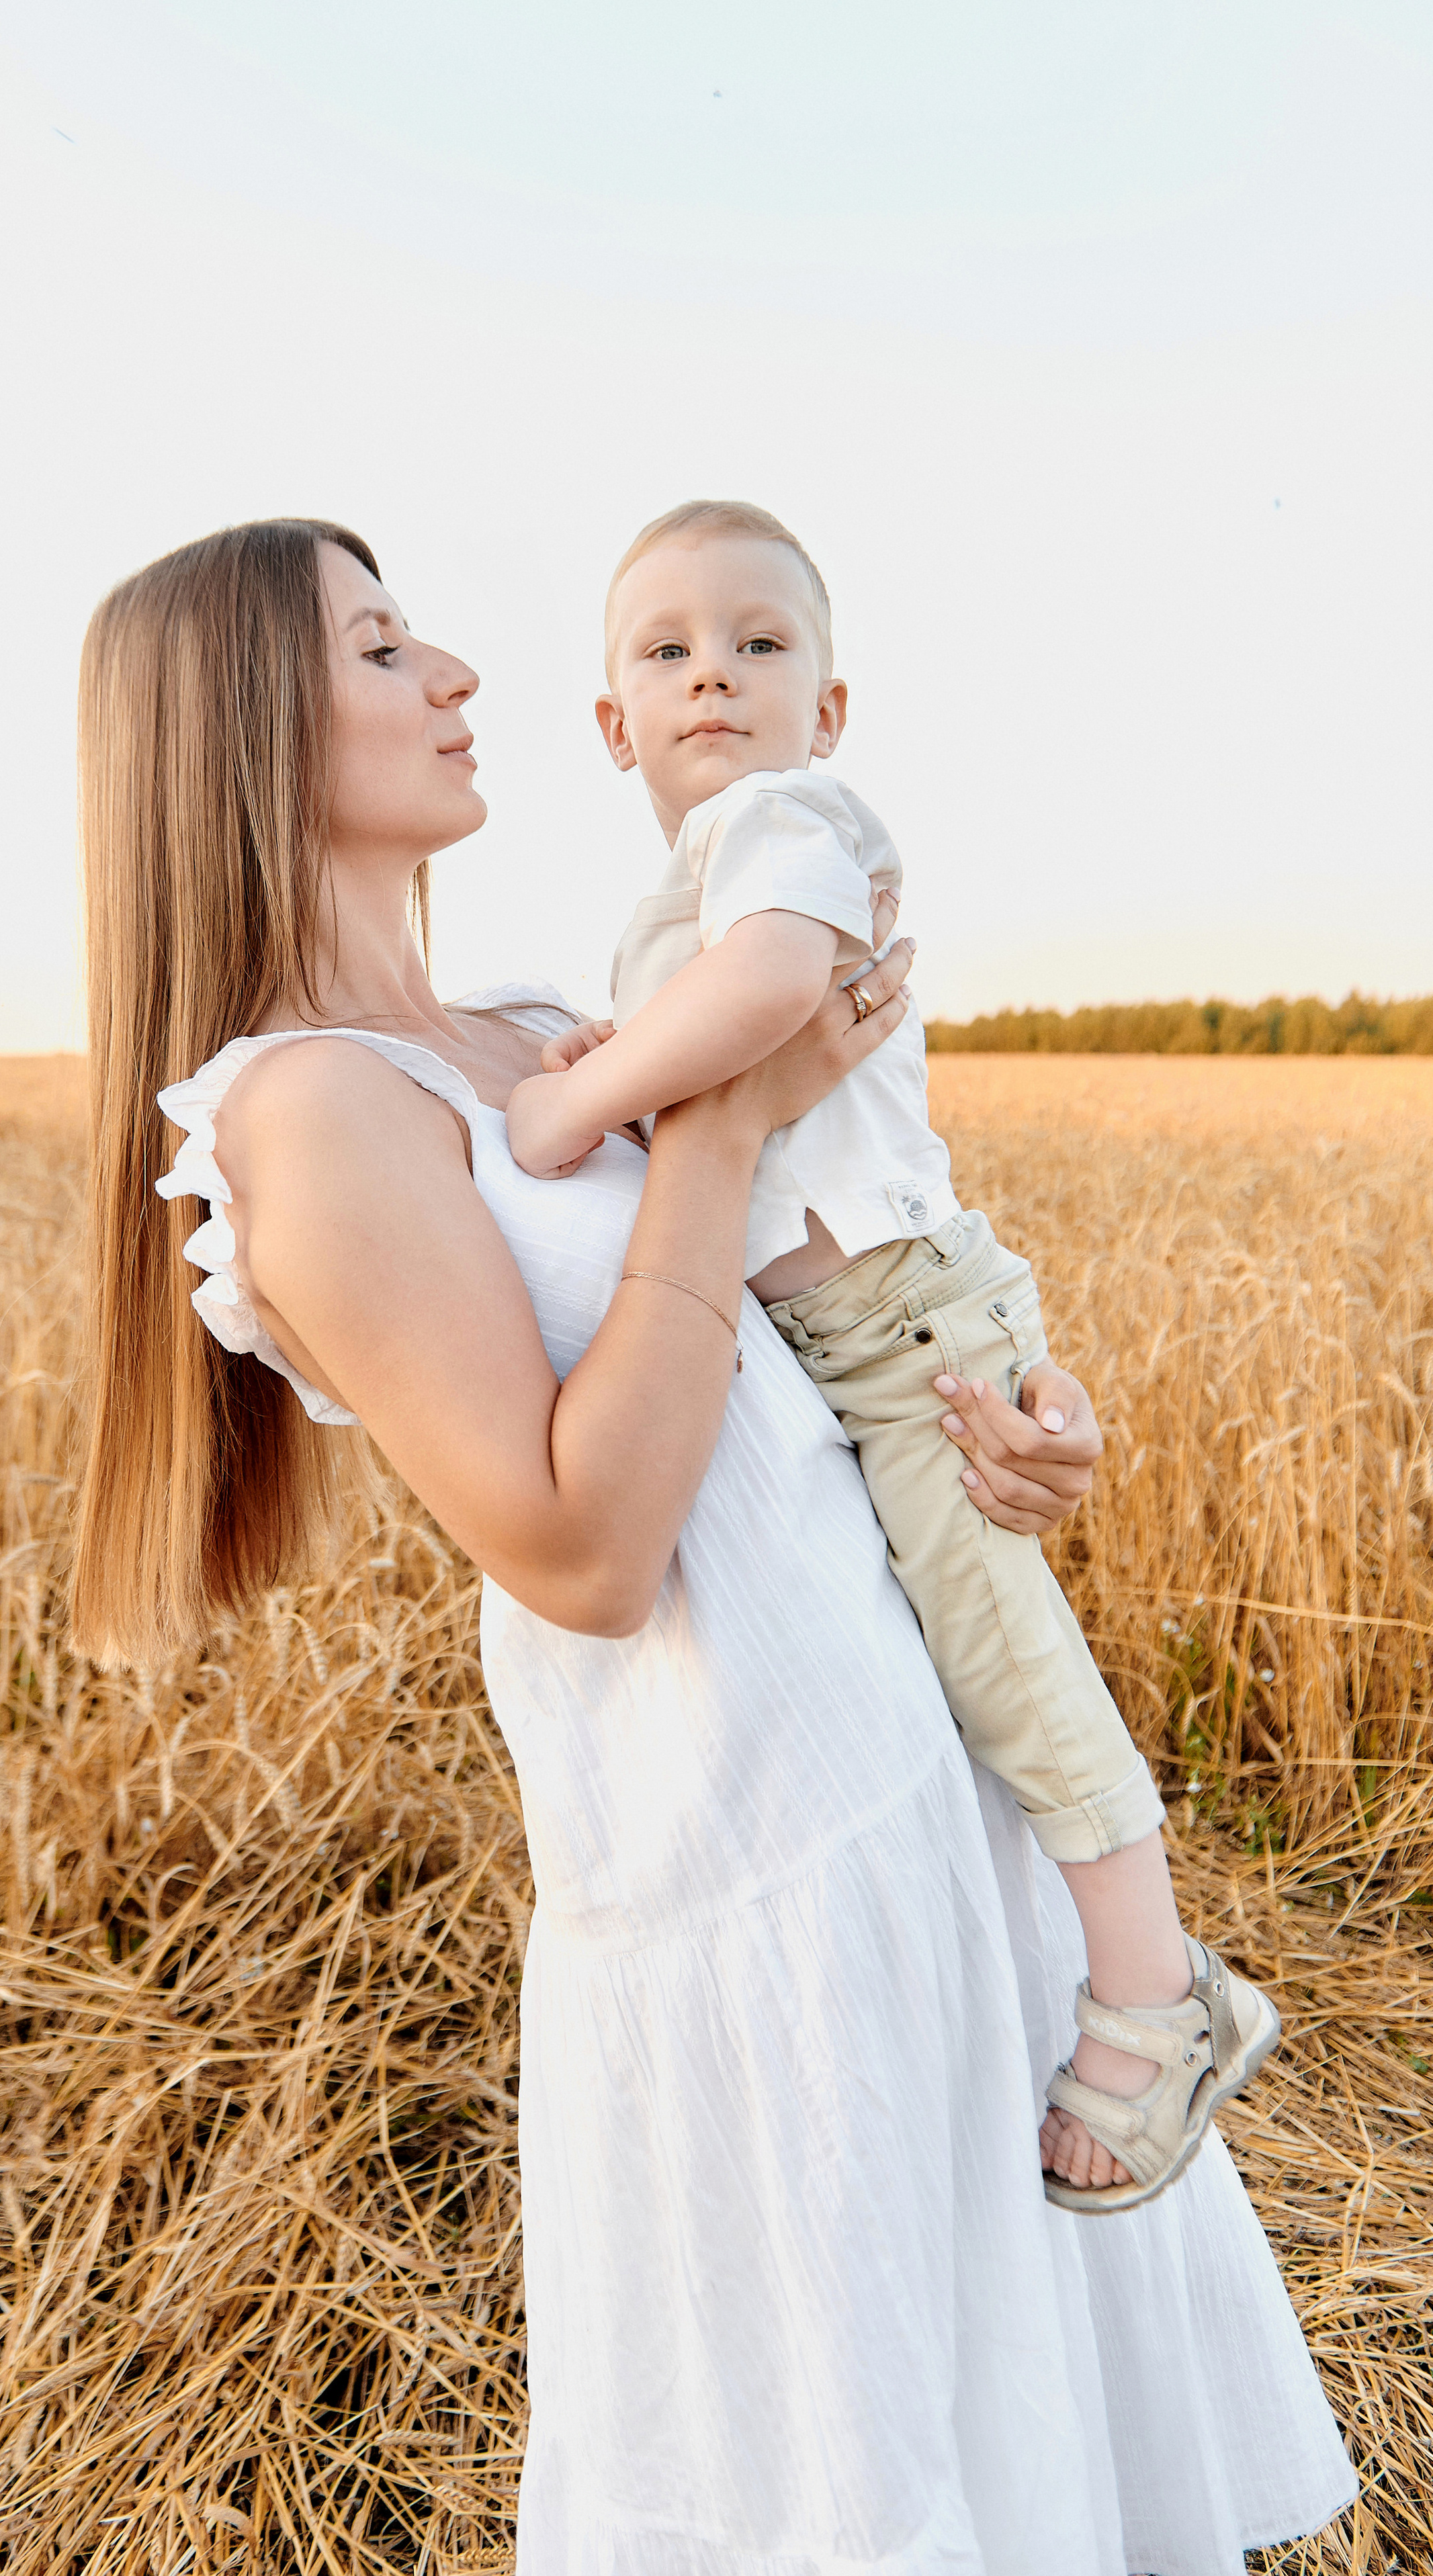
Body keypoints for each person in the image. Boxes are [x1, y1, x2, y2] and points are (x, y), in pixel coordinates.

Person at [71, 516, 1354, 2573]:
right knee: (845, 2479)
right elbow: (582, 1545)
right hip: (750, 1864)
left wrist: (998, 1438)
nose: (460, 676)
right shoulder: (308, 1112)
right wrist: (727, 1127)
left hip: (918, 1786)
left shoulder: (528, 1022)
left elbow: (765, 1360)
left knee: (1024, 2448)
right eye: (386, 646)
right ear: (237, 726)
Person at [504, 498, 1279, 2214]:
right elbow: (719, 1070)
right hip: (841, 1342)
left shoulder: (788, 818)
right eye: (668, 648)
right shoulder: (679, 886)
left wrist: (582, 1091)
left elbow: (778, 985)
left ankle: (1161, 1994)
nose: (715, 672)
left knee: (1002, 1652)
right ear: (611, 722)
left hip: (899, 1327)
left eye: (761, 644)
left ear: (828, 707)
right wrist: (624, 1044)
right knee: (950, 1659)